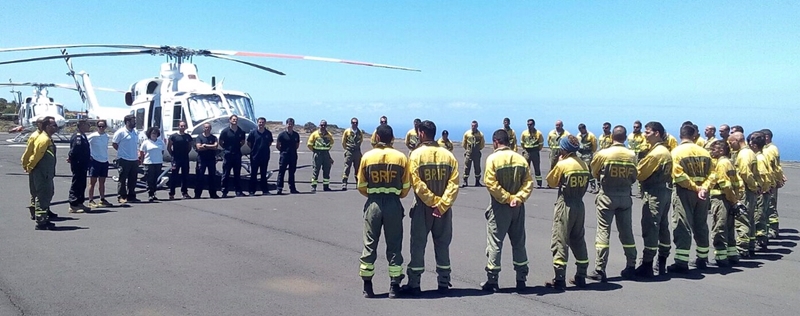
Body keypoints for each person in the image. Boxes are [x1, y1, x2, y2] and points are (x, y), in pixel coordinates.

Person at [402, 120, 460, 295]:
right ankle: (444, 281)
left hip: (423, 207)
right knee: (443, 244)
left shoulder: (415, 155)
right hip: (443, 209)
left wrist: (432, 201)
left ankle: (414, 283)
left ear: (420, 134)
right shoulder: (448, 156)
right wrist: (442, 204)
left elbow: (416, 183)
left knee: (418, 245)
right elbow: (454, 184)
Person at [357, 124, 411, 299]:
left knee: (370, 243)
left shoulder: (367, 157)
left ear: (377, 138)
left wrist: (374, 194)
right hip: (393, 204)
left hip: (373, 203)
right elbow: (405, 187)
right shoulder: (401, 158)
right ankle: (394, 286)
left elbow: (361, 186)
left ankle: (367, 285)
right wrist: (395, 195)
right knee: (394, 245)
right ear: (392, 138)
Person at [480, 129, 534, 292]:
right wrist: (518, 198)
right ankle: (521, 278)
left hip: (500, 206)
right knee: (519, 242)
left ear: (496, 142)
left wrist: (507, 198)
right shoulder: (521, 159)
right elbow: (528, 183)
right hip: (518, 207)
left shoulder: (493, 159)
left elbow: (490, 183)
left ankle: (493, 279)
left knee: (495, 242)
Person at [589, 125, 638, 282]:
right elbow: (634, 175)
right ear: (624, 138)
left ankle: (600, 268)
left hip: (607, 196)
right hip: (625, 195)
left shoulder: (604, 154)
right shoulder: (632, 155)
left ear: (611, 138)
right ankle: (631, 265)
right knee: (627, 232)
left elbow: (594, 171)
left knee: (603, 231)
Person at [544, 135, 590, 290]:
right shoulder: (583, 164)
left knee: (560, 240)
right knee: (578, 239)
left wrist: (558, 163)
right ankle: (581, 274)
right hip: (580, 205)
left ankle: (559, 278)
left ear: (564, 149)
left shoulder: (564, 164)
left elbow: (551, 181)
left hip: (566, 204)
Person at [668, 124, 714, 273]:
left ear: (681, 135)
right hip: (703, 194)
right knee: (701, 224)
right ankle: (702, 258)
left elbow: (679, 175)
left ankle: (681, 261)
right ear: (694, 136)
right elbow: (713, 174)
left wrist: (695, 187)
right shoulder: (705, 152)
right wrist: (704, 187)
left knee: (682, 224)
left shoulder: (676, 152)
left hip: (685, 192)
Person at [634, 122, 673, 277]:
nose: (645, 134)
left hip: (654, 193)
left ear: (657, 133)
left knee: (651, 225)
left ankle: (647, 264)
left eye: (648, 132)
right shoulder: (665, 151)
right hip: (664, 191)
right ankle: (662, 260)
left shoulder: (656, 154)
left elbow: (640, 173)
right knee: (663, 226)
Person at [707, 140, 743, 267]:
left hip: (721, 198)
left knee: (719, 227)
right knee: (729, 228)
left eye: (714, 150)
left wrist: (731, 199)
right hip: (729, 199)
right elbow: (737, 183)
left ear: (721, 150)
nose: (711, 152)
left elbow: (725, 185)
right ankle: (732, 255)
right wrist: (735, 200)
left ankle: (721, 257)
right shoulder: (729, 163)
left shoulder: (722, 164)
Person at [728, 132, 761, 257]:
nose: (731, 146)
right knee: (750, 218)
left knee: (742, 219)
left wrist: (753, 186)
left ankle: (742, 248)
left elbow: (745, 173)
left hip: (745, 191)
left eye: (731, 143)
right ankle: (750, 245)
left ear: (737, 140)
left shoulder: (743, 154)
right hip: (750, 190)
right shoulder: (750, 152)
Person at [27, 117, 58, 230]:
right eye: (54, 125)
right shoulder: (44, 140)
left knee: (47, 194)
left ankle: (43, 217)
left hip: (46, 173)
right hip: (42, 173)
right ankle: (41, 221)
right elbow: (35, 156)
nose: (56, 127)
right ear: (47, 126)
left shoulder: (47, 138)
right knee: (42, 195)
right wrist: (29, 166)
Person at [750, 132, 774, 251]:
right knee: (761, 215)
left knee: (758, 215)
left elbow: (764, 174)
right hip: (764, 190)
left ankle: (761, 240)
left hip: (761, 191)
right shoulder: (763, 156)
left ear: (755, 145)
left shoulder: (758, 158)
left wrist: (763, 188)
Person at [761, 129, 785, 238]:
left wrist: (778, 179)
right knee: (766, 206)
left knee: (770, 206)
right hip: (767, 181)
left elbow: (774, 167)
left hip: (770, 181)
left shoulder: (770, 150)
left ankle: (773, 229)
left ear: (767, 137)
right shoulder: (767, 149)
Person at [112, 114, 140, 204]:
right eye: (133, 121)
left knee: (133, 179)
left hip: (134, 159)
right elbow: (114, 144)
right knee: (122, 179)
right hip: (124, 159)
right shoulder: (121, 132)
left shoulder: (135, 132)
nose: (134, 122)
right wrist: (122, 152)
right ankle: (121, 196)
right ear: (127, 122)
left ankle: (131, 195)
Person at [22, 117, 46, 219]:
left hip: (44, 167)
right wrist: (26, 165)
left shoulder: (45, 135)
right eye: (41, 123)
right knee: (35, 190)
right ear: (37, 124)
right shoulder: (34, 136)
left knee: (45, 190)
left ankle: (45, 210)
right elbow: (28, 152)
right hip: (35, 166)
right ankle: (35, 212)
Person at [219, 115, 247, 197]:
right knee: (226, 174)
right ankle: (224, 191)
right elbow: (221, 142)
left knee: (237, 174)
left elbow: (242, 142)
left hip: (237, 154)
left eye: (236, 120)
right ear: (230, 120)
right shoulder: (225, 131)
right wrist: (226, 149)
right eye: (233, 119)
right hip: (228, 155)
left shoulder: (241, 131)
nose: (235, 121)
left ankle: (238, 191)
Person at [87, 119, 112, 208]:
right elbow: (85, 144)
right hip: (95, 161)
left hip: (104, 161)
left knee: (102, 182)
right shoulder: (92, 136)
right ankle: (90, 200)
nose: (101, 128)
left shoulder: (107, 136)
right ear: (97, 127)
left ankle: (102, 199)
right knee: (92, 182)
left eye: (103, 126)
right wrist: (89, 155)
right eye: (99, 126)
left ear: (105, 127)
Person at [67, 119, 91, 213]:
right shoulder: (78, 136)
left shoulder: (83, 135)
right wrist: (71, 158)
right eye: (87, 124)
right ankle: (73, 204)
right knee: (76, 183)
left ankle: (79, 202)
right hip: (78, 163)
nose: (89, 126)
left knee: (82, 183)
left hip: (83, 163)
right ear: (81, 125)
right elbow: (74, 149)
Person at [247, 117, 274, 195]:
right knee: (253, 174)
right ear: (257, 123)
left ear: (265, 123)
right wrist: (254, 149)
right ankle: (252, 190)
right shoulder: (253, 133)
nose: (261, 124)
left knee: (263, 174)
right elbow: (249, 143)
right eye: (259, 122)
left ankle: (265, 190)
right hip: (255, 156)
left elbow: (269, 143)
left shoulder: (268, 133)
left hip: (265, 156)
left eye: (262, 122)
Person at [167, 121, 193, 199]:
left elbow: (190, 147)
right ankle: (171, 193)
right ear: (178, 126)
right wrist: (173, 155)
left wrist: (185, 153)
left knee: (185, 176)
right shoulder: (173, 136)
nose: (182, 127)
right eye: (181, 126)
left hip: (185, 158)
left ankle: (184, 193)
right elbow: (169, 147)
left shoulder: (188, 137)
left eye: (184, 126)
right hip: (176, 159)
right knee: (174, 176)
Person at [194, 123, 220, 199]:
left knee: (212, 177)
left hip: (211, 159)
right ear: (203, 128)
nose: (207, 129)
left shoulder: (213, 137)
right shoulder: (199, 137)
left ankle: (213, 194)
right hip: (201, 159)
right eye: (205, 127)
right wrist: (209, 147)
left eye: (208, 127)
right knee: (200, 177)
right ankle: (197, 194)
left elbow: (215, 146)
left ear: (210, 128)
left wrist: (205, 145)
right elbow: (198, 147)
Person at [308, 119, 335, 192]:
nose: (323, 126)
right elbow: (309, 144)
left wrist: (327, 149)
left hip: (326, 154)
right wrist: (315, 151)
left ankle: (326, 186)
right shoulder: (315, 134)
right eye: (321, 125)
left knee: (327, 170)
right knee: (316, 170)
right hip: (318, 154)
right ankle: (313, 186)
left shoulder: (329, 135)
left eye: (324, 125)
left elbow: (332, 143)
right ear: (319, 125)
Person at [139, 127, 165, 202]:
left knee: (155, 179)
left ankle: (154, 193)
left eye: (155, 133)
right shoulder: (146, 142)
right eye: (153, 133)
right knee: (149, 179)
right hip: (149, 163)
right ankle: (150, 194)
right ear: (149, 134)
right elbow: (142, 152)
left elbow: (162, 151)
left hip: (158, 163)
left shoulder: (160, 142)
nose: (154, 135)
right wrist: (142, 160)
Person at [276, 118, 301, 195]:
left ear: (293, 125)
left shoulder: (296, 135)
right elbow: (278, 145)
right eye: (288, 124)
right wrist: (283, 151)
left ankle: (292, 188)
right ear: (286, 124)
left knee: (292, 172)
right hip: (284, 156)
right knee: (281, 172)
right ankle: (279, 188)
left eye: (291, 124)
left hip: (293, 155)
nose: (290, 125)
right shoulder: (282, 135)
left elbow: (297, 145)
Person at [341, 117, 364, 191]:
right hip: (349, 151)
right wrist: (347, 149)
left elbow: (361, 140)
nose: (355, 124)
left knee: (357, 168)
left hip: (357, 152)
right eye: (353, 123)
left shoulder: (359, 132)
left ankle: (357, 183)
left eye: (356, 123)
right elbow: (343, 141)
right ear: (351, 123)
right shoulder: (347, 131)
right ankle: (344, 183)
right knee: (347, 167)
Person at [520, 119, 545, 187]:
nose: (529, 126)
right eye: (528, 124)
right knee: (526, 168)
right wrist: (525, 150)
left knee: (537, 168)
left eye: (530, 124)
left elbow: (541, 143)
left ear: (534, 125)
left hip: (535, 152)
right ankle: (525, 183)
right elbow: (522, 142)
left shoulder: (538, 133)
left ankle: (539, 183)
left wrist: (537, 150)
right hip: (527, 152)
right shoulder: (524, 133)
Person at [462, 120, 485, 187]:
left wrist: (478, 149)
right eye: (472, 126)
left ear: (477, 126)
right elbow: (464, 143)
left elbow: (482, 144)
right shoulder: (467, 133)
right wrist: (467, 150)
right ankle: (465, 181)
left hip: (477, 153)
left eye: (474, 126)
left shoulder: (480, 134)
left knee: (477, 168)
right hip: (469, 153)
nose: (473, 127)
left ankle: (477, 182)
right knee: (467, 167)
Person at [576, 123, 598, 193]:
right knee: (580, 170)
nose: (581, 131)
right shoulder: (578, 135)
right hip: (580, 154)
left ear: (585, 129)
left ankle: (593, 186)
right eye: (579, 130)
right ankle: (581, 186)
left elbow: (594, 145)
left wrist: (591, 152)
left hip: (587, 154)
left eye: (581, 130)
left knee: (588, 170)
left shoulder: (591, 136)